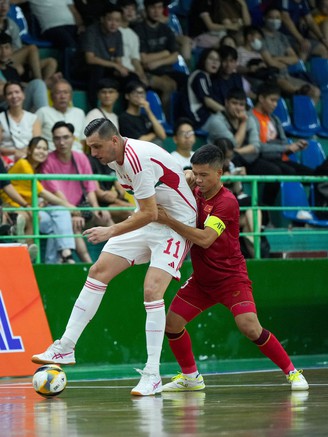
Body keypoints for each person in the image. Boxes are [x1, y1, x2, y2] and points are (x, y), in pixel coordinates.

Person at [31, 117, 197, 397]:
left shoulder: (137, 159)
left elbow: (149, 212)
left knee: (152, 291)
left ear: (115, 141)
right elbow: (147, 210)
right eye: (90, 147)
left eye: (97, 146)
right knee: (98, 271)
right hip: (151, 220)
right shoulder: (112, 160)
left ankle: (153, 374)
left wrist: (111, 230)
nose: (93, 153)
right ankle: (65, 347)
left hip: (177, 225)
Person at [156, 144, 309, 392]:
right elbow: (178, 183)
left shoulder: (227, 202)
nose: (199, 179)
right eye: (196, 172)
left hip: (230, 280)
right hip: (202, 281)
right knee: (171, 324)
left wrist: (168, 220)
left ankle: (292, 371)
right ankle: (191, 377)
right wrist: (184, 176)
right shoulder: (194, 188)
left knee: (250, 327)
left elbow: (205, 239)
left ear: (220, 173)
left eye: (204, 175)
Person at [41, 121, 112, 263]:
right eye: (57, 138)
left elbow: (90, 186)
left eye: (65, 137)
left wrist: (96, 208)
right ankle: (88, 266)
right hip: (63, 208)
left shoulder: (80, 157)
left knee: (105, 217)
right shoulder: (48, 161)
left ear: (73, 138)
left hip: (80, 207)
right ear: (53, 140)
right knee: (75, 225)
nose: (61, 142)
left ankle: (121, 256)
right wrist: (73, 213)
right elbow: (56, 194)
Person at [0, 136, 77, 263]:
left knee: (58, 218)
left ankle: (59, 258)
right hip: (15, 205)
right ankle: (40, 256)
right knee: (56, 216)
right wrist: (68, 205)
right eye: (38, 148)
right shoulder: (24, 164)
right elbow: (42, 192)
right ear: (29, 150)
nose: (41, 151)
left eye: (45, 149)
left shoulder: (37, 168)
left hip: (30, 206)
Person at [133, 0, 188, 116]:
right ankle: (163, 120)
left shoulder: (166, 29)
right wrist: (165, 53)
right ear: (146, 9)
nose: (156, 11)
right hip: (146, 72)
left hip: (165, 70)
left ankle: (184, 119)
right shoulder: (139, 30)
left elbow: (175, 56)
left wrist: (158, 62)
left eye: (159, 8)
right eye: (153, 8)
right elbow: (144, 59)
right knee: (168, 85)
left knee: (188, 81)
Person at [251, 82, 315, 176]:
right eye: (272, 100)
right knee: (288, 172)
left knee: (313, 174)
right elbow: (257, 146)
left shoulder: (275, 119)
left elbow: (284, 145)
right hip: (262, 159)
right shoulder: (250, 118)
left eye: (276, 101)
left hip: (280, 159)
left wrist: (295, 147)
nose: (275, 104)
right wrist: (286, 147)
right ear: (261, 98)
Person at [261, 8, 321, 103]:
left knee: (316, 91)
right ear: (264, 18)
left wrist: (277, 58)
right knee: (302, 92)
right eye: (271, 18)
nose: (274, 21)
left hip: (287, 75)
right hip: (272, 77)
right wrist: (281, 60)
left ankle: (306, 117)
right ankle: (297, 95)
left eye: (277, 18)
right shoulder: (260, 36)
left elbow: (294, 58)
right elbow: (270, 62)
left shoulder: (281, 36)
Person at [0, 33, 49, 112]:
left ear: (11, 49)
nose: (3, 52)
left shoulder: (12, 70)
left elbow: (19, 86)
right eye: (0, 48)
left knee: (38, 84)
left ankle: (44, 118)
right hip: (3, 106)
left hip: (16, 102)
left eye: (6, 47)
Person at [36, 79, 86, 151]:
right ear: (51, 96)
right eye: (58, 93)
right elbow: (35, 139)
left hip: (76, 156)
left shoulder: (79, 113)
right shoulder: (43, 112)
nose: (62, 96)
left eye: (66, 92)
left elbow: (82, 141)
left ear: (71, 96)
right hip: (51, 156)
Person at [0, 81, 41, 165]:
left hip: (29, 159)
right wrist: (15, 152)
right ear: (6, 98)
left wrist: (24, 152)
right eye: (9, 93)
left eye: (17, 92)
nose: (14, 96)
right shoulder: (1, 118)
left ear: (23, 95)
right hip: (7, 162)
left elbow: (37, 144)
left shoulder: (33, 118)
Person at [118, 80, 166, 145]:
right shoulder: (123, 118)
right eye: (136, 93)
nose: (139, 96)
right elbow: (139, 141)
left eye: (142, 93)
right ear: (127, 96)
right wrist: (154, 134)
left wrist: (148, 111)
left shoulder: (145, 116)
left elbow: (162, 135)